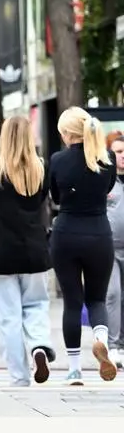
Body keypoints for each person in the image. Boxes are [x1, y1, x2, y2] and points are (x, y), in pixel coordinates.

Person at [0, 115, 56, 387]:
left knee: (7, 316)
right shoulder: (41, 168)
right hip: (34, 248)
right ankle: (39, 345)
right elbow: (41, 203)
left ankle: (19, 377)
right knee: (37, 304)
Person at [48, 107, 117, 384]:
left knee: (72, 302)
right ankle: (101, 340)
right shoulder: (107, 158)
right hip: (99, 233)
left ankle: (74, 370)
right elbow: (108, 189)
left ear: (67, 133)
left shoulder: (58, 160)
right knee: (97, 299)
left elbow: (55, 197)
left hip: (66, 234)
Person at [103, 132, 124, 367]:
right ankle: (114, 346)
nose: (123, 155)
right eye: (118, 151)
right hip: (109, 247)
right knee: (113, 294)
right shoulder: (105, 180)